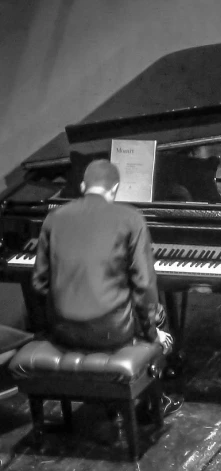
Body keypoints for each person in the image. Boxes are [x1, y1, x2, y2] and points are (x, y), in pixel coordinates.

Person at [31, 160, 182, 416]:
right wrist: (152, 332)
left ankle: (106, 395)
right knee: (158, 313)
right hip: (112, 333)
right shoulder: (130, 218)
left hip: (62, 332)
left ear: (82, 186)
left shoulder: (53, 218)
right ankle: (153, 402)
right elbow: (144, 286)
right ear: (115, 189)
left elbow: (38, 283)